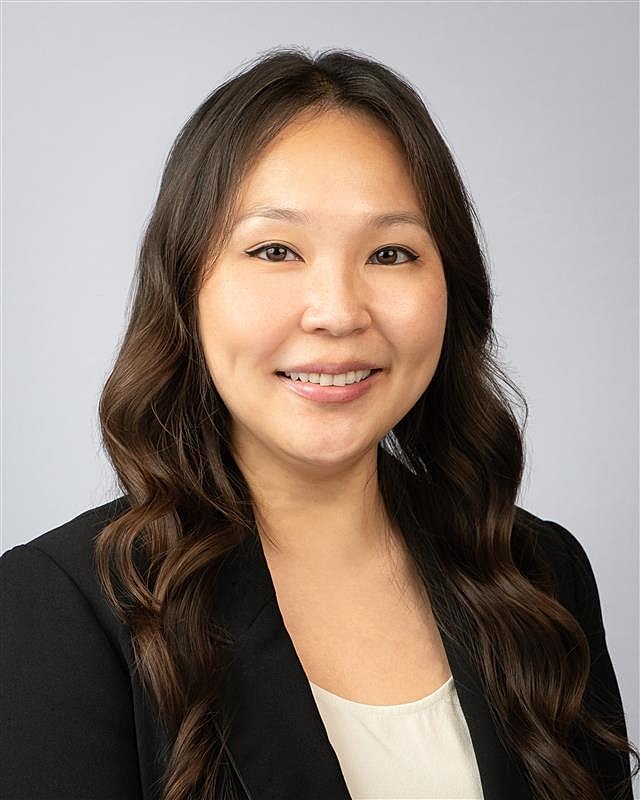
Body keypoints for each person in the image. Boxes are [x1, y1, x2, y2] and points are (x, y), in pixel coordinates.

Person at [1, 45, 637, 800]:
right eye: (275, 250)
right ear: (186, 289)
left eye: (391, 253)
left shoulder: (539, 574)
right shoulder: (56, 610)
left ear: (451, 287)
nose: (337, 312)